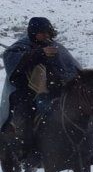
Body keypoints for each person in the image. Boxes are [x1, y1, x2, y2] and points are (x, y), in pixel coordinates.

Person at [0, 17, 82, 158]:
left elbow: (72, 68)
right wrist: (39, 54)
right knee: (25, 116)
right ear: (33, 33)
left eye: (48, 32)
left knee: (78, 111)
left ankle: (85, 149)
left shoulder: (57, 48)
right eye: (42, 32)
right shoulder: (19, 47)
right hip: (27, 93)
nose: (46, 35)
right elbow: (13, 66)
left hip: (57, 91)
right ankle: (27, 151)